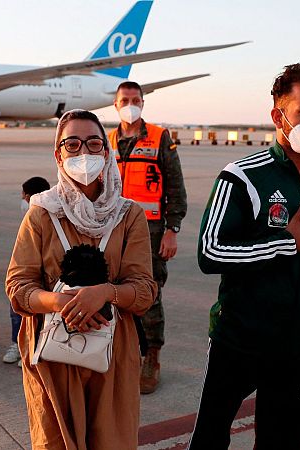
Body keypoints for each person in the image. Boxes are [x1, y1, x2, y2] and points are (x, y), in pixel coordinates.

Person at [188, 63, 300, 449]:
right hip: (240, 340)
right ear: (278, 116)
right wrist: (286, 243)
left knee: (283, 442)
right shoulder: (242, 177)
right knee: (210, 439)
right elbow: (209, 252)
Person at [5, 109, 155, 448]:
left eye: (92, 143)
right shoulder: (41, 212)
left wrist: (104, 293)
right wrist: (60, 302)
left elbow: (144, 290)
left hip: (112, 353)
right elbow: (18, 287)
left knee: (111, 440)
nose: (83, 153)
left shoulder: (128, 215)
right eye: (72, 144)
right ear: (58, 154)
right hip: (53, 354)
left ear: (106, 151)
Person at [107, 80, 187, 394]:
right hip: (114, 229)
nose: (130, 103)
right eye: (125, 99)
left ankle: (151, 356)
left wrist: (172, 229)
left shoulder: (159, 137)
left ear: (142, 102)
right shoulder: (107, 139)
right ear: (115, 104)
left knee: (149, 294)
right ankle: (123, 354)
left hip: (151, 232)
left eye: (135, 99)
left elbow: (176, 188)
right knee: (114, 291)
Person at [2, 176, 50, 366]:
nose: (22, 199)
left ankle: (34, 348)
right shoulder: (28, 214)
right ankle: (18, 344)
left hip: (43, 269)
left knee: (40, 312)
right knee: (18, 307)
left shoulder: (47, 214)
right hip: (27, 267)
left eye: (24, 196)